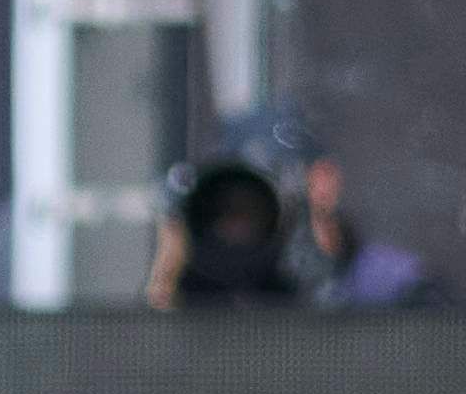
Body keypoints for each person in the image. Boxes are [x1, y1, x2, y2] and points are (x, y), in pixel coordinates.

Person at [146, 111, 445, 309]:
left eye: (257, 208)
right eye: (225, 213)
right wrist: (169, 279)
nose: (241, 227)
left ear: (324, 181)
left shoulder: (397, 290)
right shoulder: (206, 300)